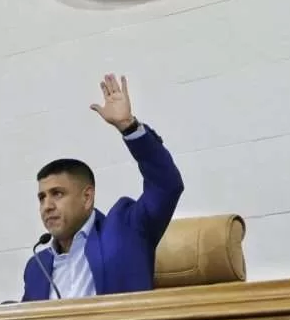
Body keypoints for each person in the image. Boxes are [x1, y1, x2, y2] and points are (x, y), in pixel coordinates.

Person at [21, 74, 184, 301]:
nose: (47, 206)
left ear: (87, 197)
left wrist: (129, 128)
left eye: (57, 194)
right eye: (41, 197)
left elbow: (167, 185)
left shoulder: (126, 230)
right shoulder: (37, 267)